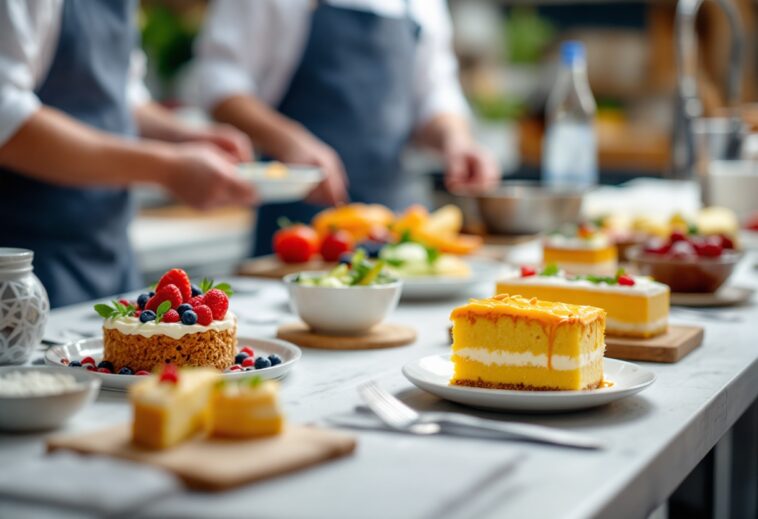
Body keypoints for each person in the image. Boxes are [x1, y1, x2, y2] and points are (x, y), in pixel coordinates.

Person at [0, 0, 257, 308]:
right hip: (25, 264)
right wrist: (169, 168)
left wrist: (185, 136)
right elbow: (7, 118)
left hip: (110, 251)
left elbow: (123, 97)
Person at [192, 0, 499, 256]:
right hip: (299, 231)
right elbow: (220, 82)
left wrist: (455, 141)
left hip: (399, 222)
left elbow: (434, 94)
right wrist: (288, 140)